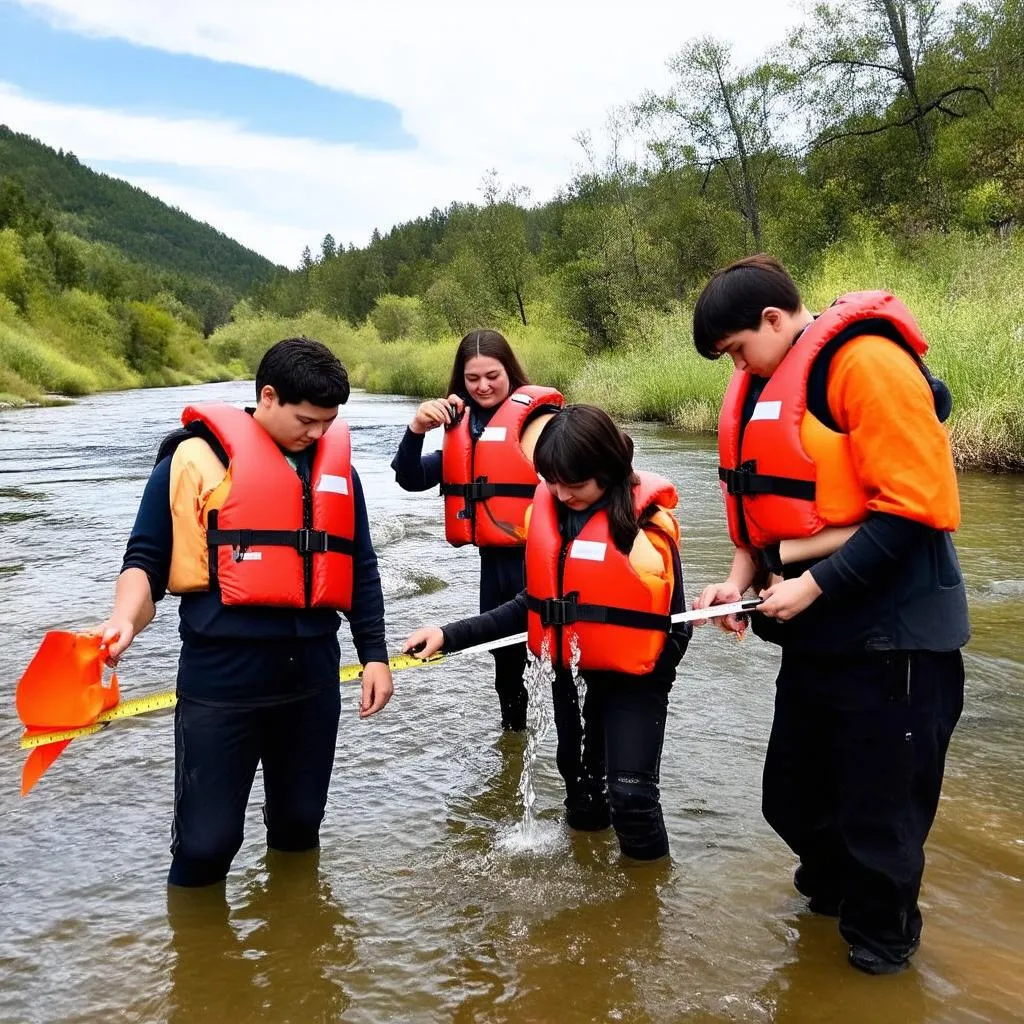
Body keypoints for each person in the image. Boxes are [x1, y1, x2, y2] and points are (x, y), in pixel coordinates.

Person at [691, 255, 968, 974]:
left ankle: (879, 960)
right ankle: (824, 924)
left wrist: (810, 585)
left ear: (774, 321)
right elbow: (761, 504)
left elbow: (915, 509)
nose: (736, 366)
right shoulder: (759, 379)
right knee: (793, 796)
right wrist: (739, 578)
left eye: (737, 349)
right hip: (820, 640)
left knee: (881, 824)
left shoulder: (866, 362)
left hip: (897, 640)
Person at [97, 337, 394, 887]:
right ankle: (197, 965)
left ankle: (296, 950)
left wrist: (373, 655)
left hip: (311, 677)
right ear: (268, 397)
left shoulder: (339, 475)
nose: (318, 434)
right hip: (221, 680)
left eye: (328, 424)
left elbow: (361, 568)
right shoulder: (191, 461)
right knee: (207, 844)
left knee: (301, 827)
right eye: (307, 420)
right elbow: (145, 564)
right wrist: (123, 620)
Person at [403, 405, 691, 861]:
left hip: (637, 678)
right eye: (551, 481)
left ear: (608, 470)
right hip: (569, 672)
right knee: (582, 800)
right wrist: (447, 634)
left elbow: (676, 627)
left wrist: (643, 673)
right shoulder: (552, 514)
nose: (560, 493)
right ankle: (592, 882)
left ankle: (647, 908)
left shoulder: (645, 525)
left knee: (632, 798)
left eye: (573, 484)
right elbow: (529, 606)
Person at [391, 329, 563, 731]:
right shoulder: (460, 427)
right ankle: (514, 746)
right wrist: (416, 429)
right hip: (494, 567)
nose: (483, 386)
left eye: (493, 375)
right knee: (505, 667)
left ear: (510, 373)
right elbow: (410, 478)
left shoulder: (538, 420)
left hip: (539, 560)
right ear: (460, 381)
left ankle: (567, 752)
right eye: (473, 379)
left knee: (556, 659)